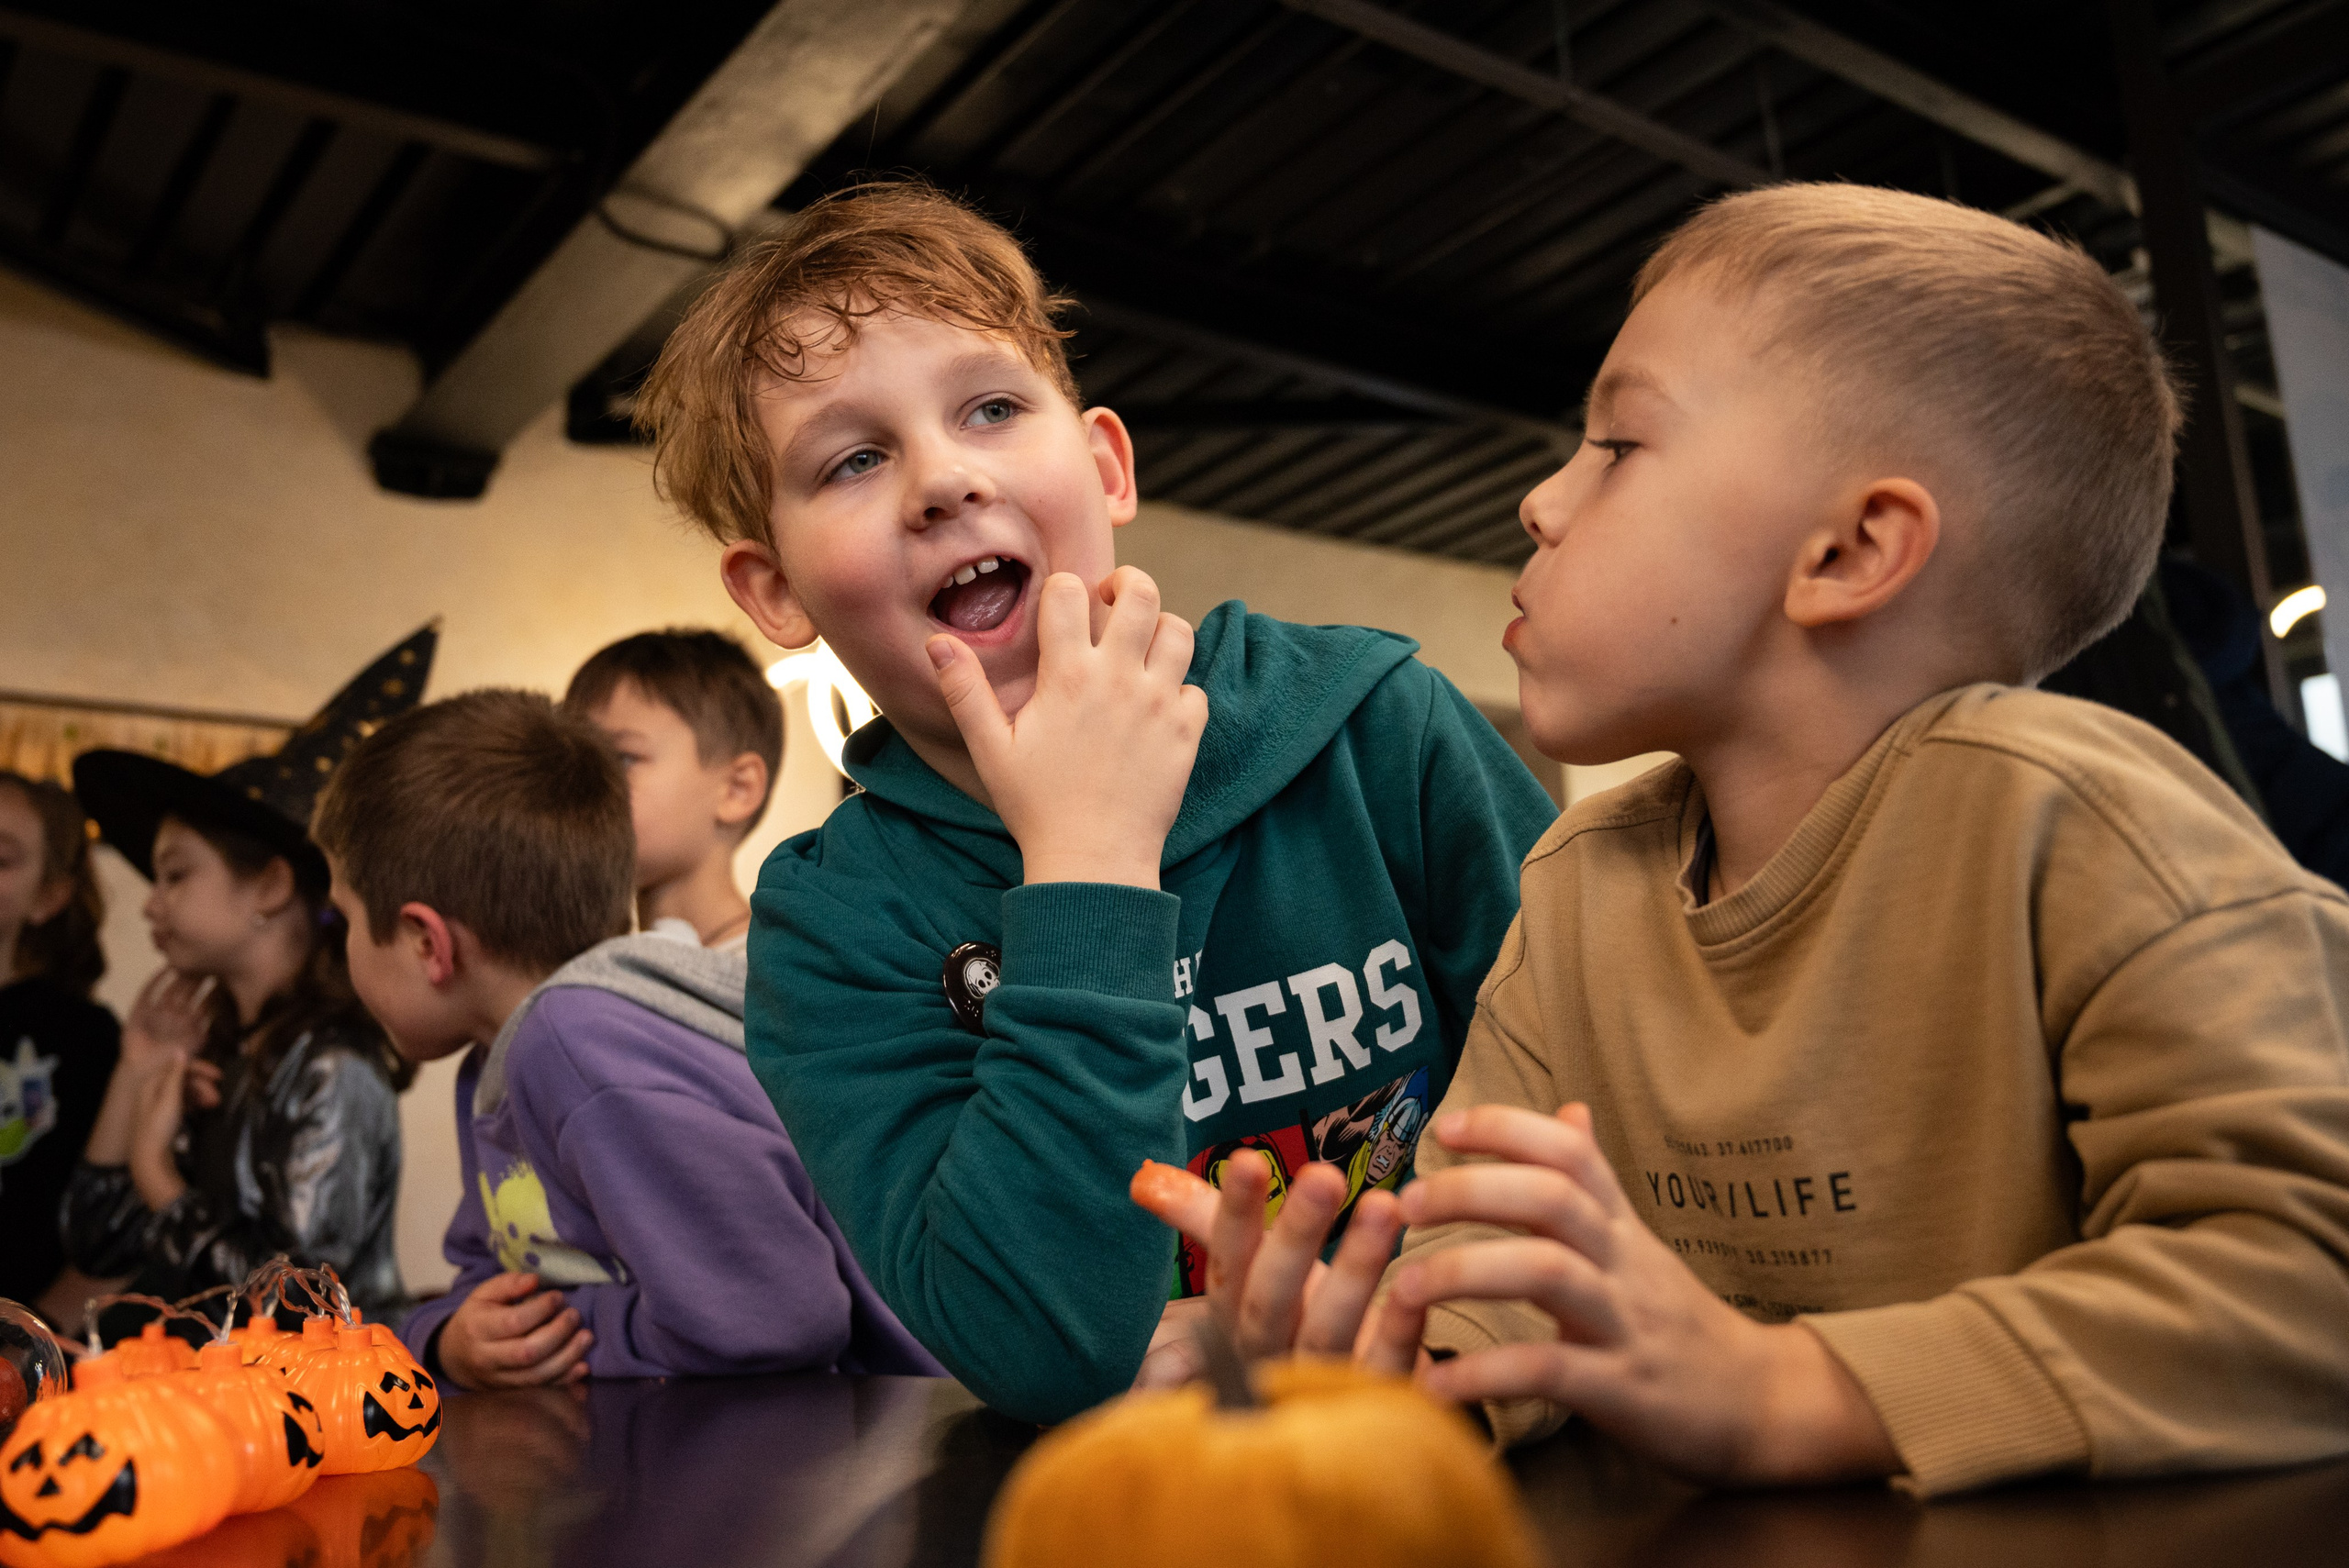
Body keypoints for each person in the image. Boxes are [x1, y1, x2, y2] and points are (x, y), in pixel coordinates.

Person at [1134, 183, 2349, 1498]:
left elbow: (2308, 1271)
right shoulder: (1578, 887)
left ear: (1850, 550)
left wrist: (1788, 1391)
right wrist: (1389, 1357)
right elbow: (1491, 1259)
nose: (1541, 501)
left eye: (1617, 444)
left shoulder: (2078, 824)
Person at [631, 179, 1559, 1421]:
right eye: (852, 458)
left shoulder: (1381, 726)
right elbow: (1035, 1344)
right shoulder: (829, 927)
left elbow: (1597, 1103)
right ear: (776, 593)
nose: (942, 479)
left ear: (1107, 464)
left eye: (992, 408)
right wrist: (1087, 865)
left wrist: (1374, 1326)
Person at [317, 688, 938, 1386]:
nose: (341, 952)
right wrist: (448, 1341)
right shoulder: (499, 1063)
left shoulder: (577, 1046)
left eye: (344, 921)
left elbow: (776, 1319)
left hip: (897, 1426)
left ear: (426, 942)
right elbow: (489, 1275)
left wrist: (571, 1331)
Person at [63, 627, 435, 1331]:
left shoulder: (333, 1064)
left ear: (268, 885)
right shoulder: (222, 1052)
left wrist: (157, 1171)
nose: (150, 904)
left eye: (175, 874)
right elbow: (97, 1239)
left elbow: (297, 1302)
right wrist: (137, 1070)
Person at [562, 628, 784, 952]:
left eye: (623, 759)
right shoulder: (604, 962)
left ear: (737, 789)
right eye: (579, 758)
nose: (582, 780)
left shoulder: (771, 971)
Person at [0, 773, 120, 1319]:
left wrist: (28, 1340)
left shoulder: (80, 1037)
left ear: (49, 897)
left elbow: (110, 1235)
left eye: (2, 859)